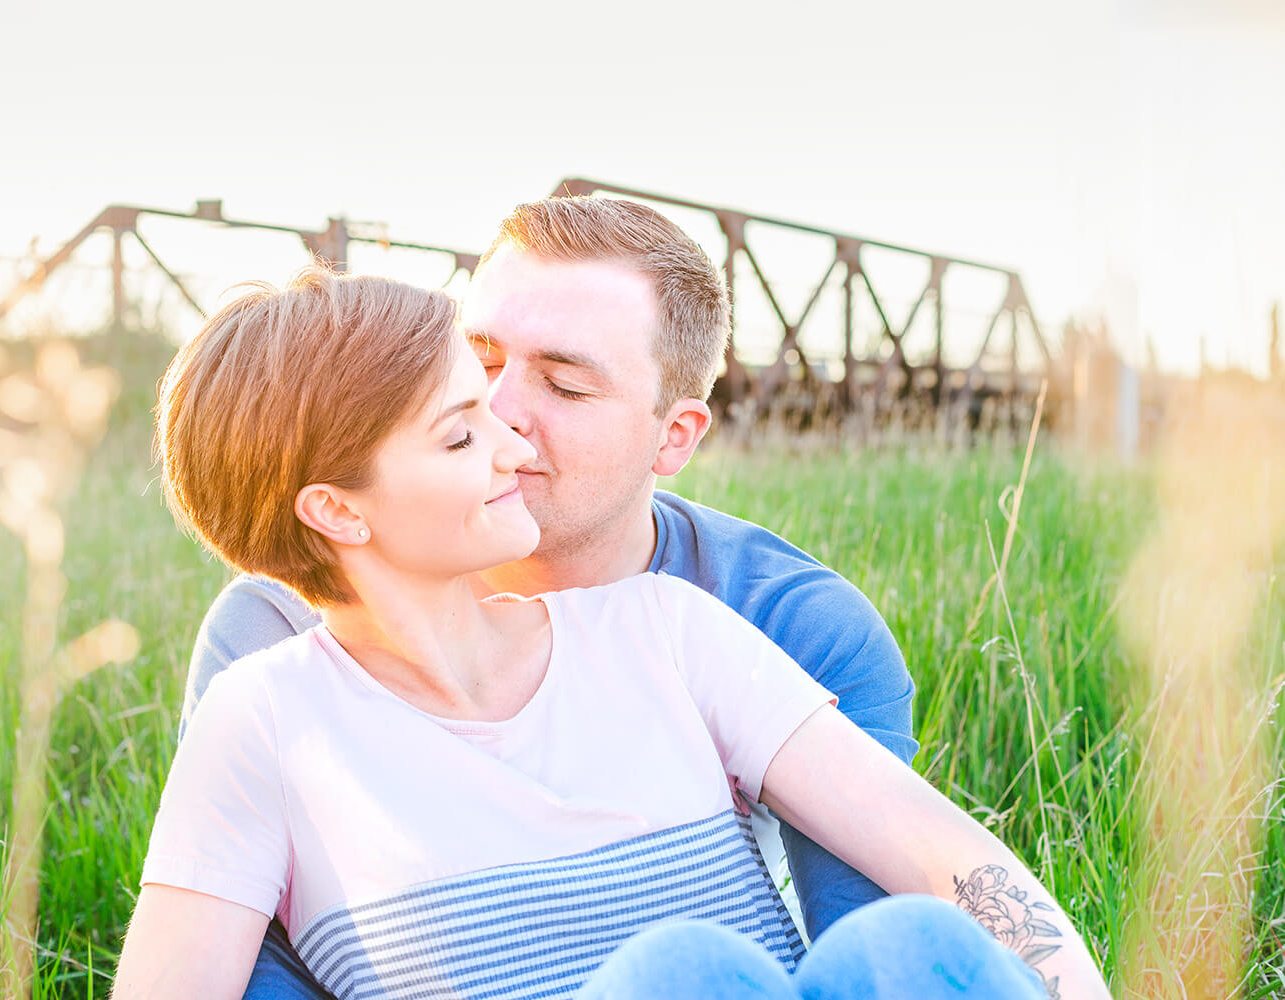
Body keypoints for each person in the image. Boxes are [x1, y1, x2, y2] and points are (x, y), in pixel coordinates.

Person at [112, 264, 1110, 999]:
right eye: (462, 431)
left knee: (900, 948)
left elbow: (948, 857)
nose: (514, 443)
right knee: (684, 971)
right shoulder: (266, 717)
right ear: (337, 510)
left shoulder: (664, 629)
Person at [183, 197, 916, 998]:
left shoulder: (787, 622)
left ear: (675, 435)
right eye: (478, 360)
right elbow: (247, 964)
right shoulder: (280, 631)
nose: (498, 411)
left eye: (565, 386)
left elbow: (865, 946)